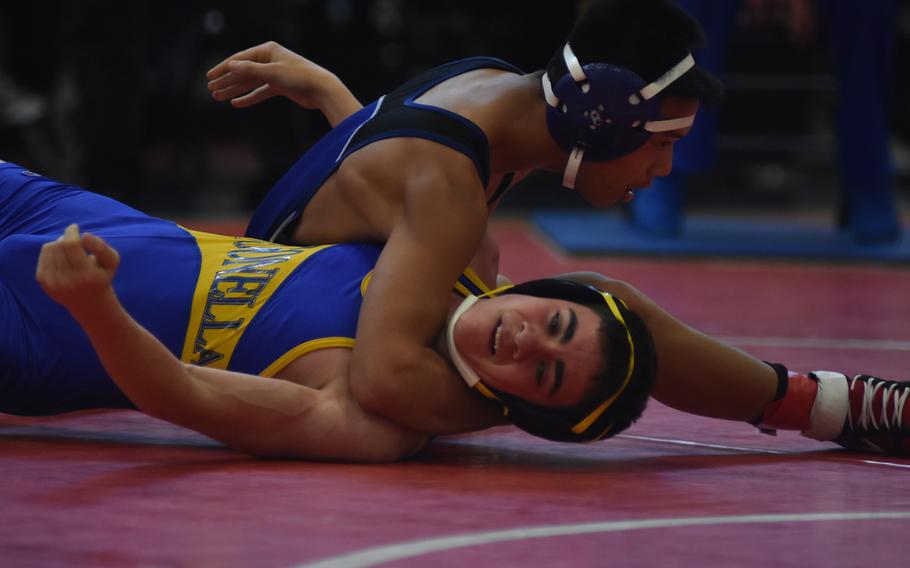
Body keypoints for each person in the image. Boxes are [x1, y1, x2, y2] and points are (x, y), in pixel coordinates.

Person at [207, 1, 909, 455]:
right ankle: (835, 406)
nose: (662, 169)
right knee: (600, 326)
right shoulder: (449, 188)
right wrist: (575, 400)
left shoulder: (484, 84)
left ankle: (829, 404)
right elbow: (386, 382)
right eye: (661, 144)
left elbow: (378, 167)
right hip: (285, 334)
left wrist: (332, 93)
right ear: (601, 116)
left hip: (319, 282)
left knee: (581, 306)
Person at [1, 160, 658, 460]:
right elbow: (383, 172)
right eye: (555, 324)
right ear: (544, 294)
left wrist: (94, 308)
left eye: (544, 373)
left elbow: (182, 394)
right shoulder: (456, 257)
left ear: (527, 408)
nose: (524, 340)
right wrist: (323, 90)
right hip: (77, 220)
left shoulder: (369, 419)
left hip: (44, 331)